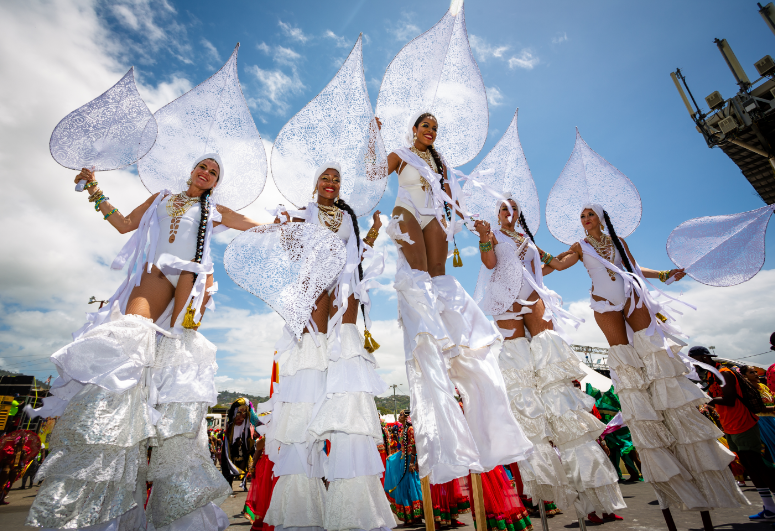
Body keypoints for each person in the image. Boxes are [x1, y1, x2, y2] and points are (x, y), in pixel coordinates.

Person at [26, 153, 267, 531]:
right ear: (191, 170)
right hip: (155, 276)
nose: (206, 174)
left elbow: (252, 224)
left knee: (176, 365)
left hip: (189, 283)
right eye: (203, 167)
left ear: (216, 182)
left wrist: (289, 224)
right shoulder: (161, 197)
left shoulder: (215, 209)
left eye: (214, 172)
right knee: (129, 343)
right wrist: (94, 189)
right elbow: (124, 225)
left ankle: (173, 473)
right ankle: (108, 454)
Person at [549, 203, 748, 511]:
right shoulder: (581, 246)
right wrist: (533, 250)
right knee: (625, 359)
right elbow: (558, 267)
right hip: (604, 302)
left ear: (600, 218)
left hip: (631, 294)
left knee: (653, 352)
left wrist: (666, 273)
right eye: (582, 217)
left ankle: (671, 412)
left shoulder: (618, 241)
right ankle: (644, 416)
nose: (586, 220)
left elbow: (635, 269)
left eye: (590, 215)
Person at [474, 197, 625, 519]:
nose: (508, 213)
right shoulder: (493, 235)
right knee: (521, 374)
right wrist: (485, 238)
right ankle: (544, 472)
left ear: (519, 214)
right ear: (497, 213)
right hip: (504, 299)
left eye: (513, 208)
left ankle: (591, 495)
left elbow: (553, 265)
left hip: (531, 297)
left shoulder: (528, 241)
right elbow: (489, 264)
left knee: (550, 370)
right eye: (503, 208)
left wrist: (585, 250)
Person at [690, 346, 775, 519]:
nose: (694, 365)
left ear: (705, 358)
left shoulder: (725, 373)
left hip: (743, 423)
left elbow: (729, 399)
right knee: (750, 467)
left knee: (758, 465)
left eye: (695, 361)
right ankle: (770, 508)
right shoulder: (712, 376)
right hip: (730, 425)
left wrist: (703, 398)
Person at [384, 410, 423, 526]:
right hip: (403, 460)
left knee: (412, 486)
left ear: (406, 417)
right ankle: (409, 516)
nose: (399, 416)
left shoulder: (410, 429)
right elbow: (403, 449)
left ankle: (416, 515)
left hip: (409, 462)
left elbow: (414, 446)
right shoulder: (404, 430)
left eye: (401, 414)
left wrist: (412, 462)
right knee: (404, 487)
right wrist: (394, 455)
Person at [221, 398, 256, 493]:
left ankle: (246, 485)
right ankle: (228, 487)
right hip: (232, 455)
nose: (242, 417)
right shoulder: (230, 429)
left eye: (244, 413)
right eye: (238, 414)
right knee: (229, 471)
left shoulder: (248, 428)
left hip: (244, 455)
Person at [742, 364, 775, 463]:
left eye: (755, 372)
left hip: (772, 418)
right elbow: (757, 408)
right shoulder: (748, 390)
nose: (755, 374)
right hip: (763, 421)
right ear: (744, 376)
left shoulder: (762, 386)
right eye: (751, 372)